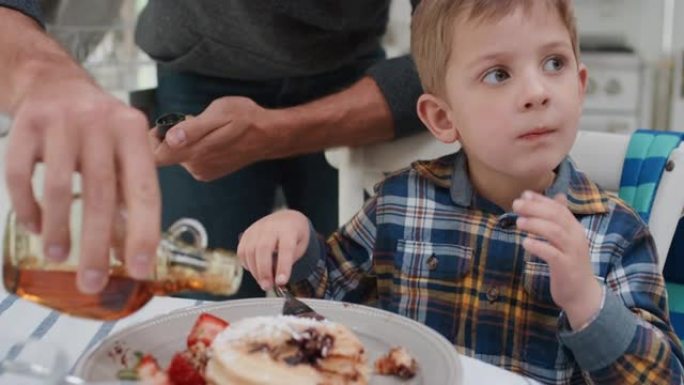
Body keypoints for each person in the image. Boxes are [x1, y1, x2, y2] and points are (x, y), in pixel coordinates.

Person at [236, 0, 684, 383]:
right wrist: (294, 240)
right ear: (443, 118)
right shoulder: (398, 203)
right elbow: (322, 309)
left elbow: (662, 376)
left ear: (580, 87)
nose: (536, 92)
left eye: (554, 64)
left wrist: (587, 301)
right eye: (498, 74)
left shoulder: (618, 233)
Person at [0, 1, 425, 297]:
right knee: (191, 293)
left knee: (349, 294)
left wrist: (278, 133)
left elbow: (453, 49)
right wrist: (37, 70)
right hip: (196, 78)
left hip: (352, 80)